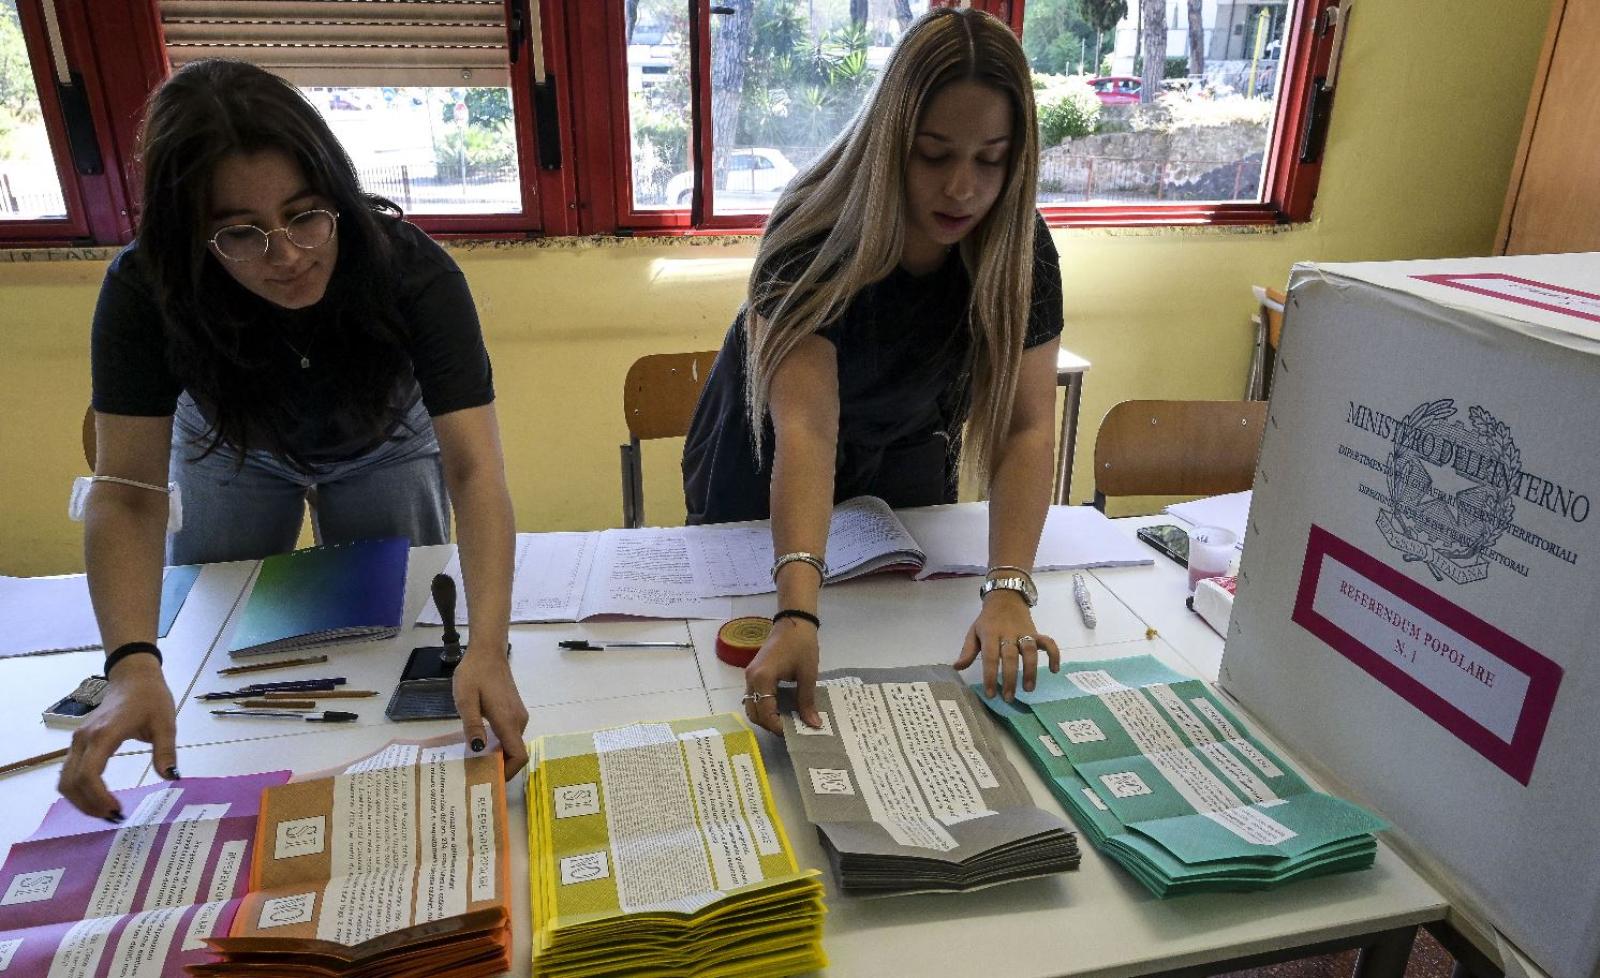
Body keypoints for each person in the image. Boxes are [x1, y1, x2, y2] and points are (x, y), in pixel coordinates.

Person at [59, 60, 528, 821]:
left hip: (384, 437)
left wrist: (488, 646)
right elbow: (129, 496)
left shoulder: (412, 269)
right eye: (240, 233)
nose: (287, 256)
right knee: (213, 647)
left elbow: (475, 471)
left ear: (337, 193)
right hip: (230, 443)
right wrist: (130, 663)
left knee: (397, 640)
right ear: (189, 236)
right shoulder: (145, 288)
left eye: (306, 215)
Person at [682, 8, 1065, 734]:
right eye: (933, 155)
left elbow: (1025, 427)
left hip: (904, 449)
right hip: (768, 461)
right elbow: (806, 430)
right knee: (739, 660)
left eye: (990, 159)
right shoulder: (812, 232)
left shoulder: (1019, 247)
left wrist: (1008, 589)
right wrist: (796, 613)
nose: (962, 189)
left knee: (898, 637)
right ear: (890, 141)